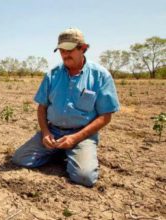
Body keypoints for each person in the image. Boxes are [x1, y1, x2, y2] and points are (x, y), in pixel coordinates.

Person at [12, 28, 120, 187]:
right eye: (61, 50)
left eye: (70, 49)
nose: (65, 54)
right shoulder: (52, 75)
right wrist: (45, 133)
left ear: (83, 48)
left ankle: (73, 153)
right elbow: (42, 108)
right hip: (53, 132)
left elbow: (106, 116)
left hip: (81, 135)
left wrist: (75, 138)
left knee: (84, 177)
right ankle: (59, 151)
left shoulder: (100, 75)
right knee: (20, 159)